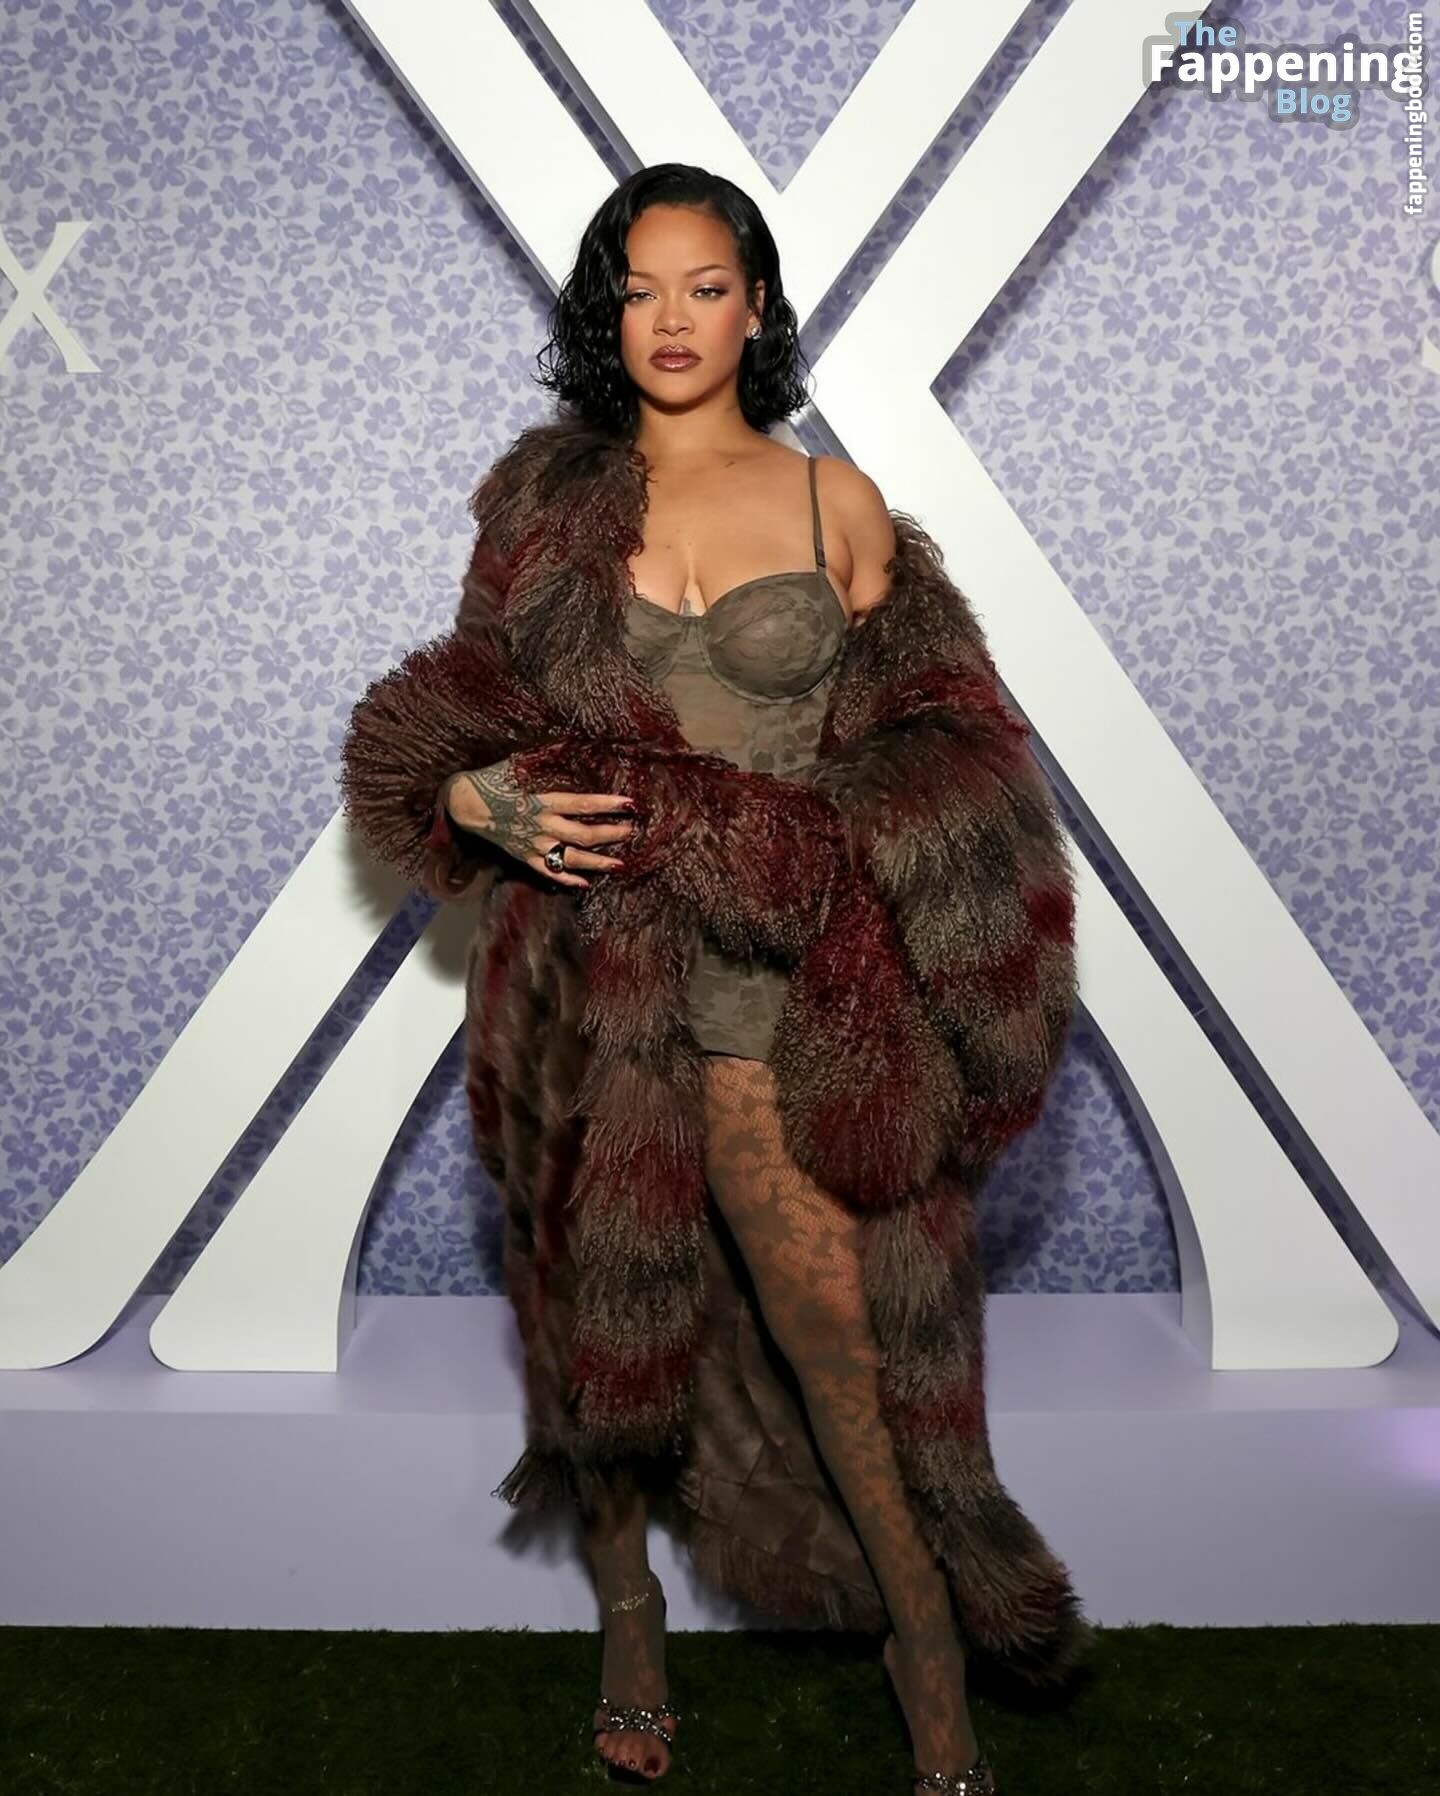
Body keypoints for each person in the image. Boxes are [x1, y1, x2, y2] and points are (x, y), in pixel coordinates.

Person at [338, 163, 1092, 1795]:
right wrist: (465, 796)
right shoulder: (544, 508)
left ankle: (926, 1650)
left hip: (769, 975)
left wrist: (826, 865)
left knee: (843, 1343)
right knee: (599, 1322)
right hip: (582, 979)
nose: (670, 319)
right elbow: (465, 710)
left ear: (756, 306)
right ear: (606, 313)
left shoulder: (837, 505)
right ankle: (629, 1621)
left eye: (704, 285)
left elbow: (954, 749)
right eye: (639, 289)